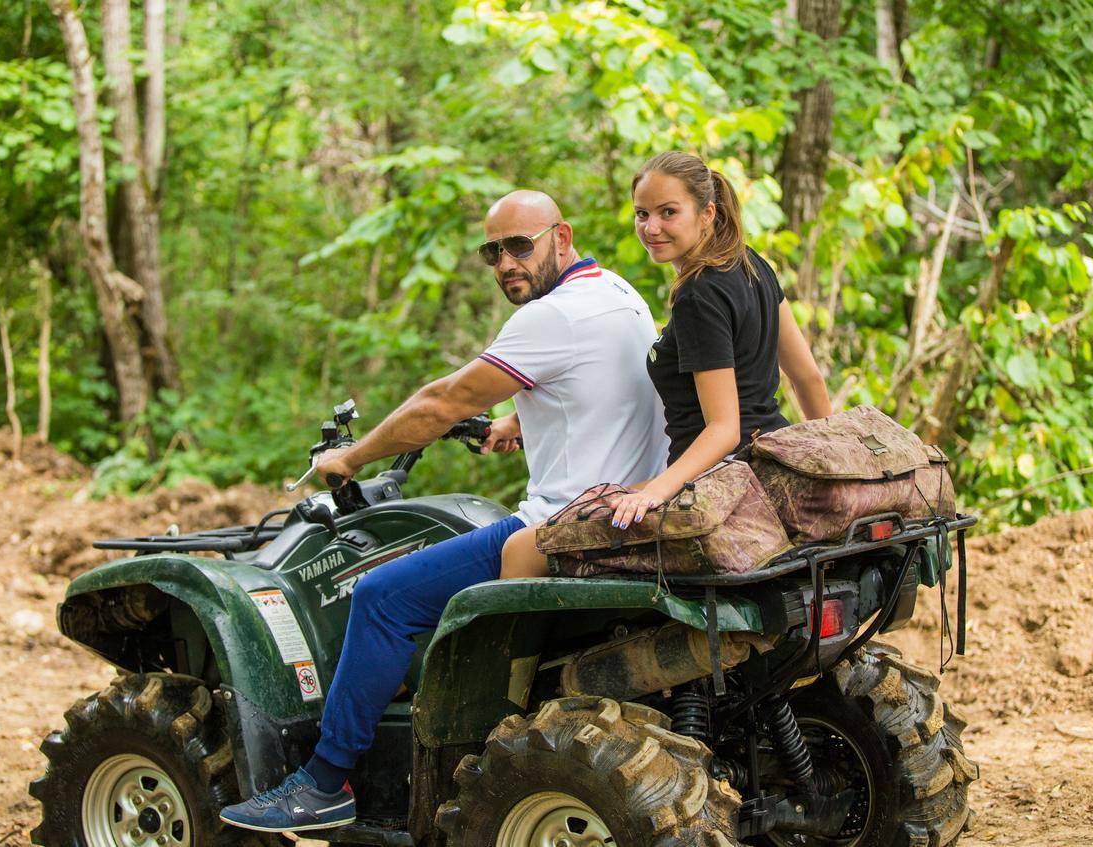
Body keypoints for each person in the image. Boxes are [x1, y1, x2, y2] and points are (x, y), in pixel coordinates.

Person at [218, 189, 668, 833]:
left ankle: (323, 783)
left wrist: (355, 456)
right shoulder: (619, 295)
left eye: (520, 245)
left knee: (381, 596)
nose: (506, 262)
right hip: (624, 509)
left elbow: (441, 402)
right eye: (492, 251)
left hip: (561, 522)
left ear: (560, 238)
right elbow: (611, 384)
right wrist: (523, 417)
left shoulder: (550, 319)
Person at [500, 152, 832, 578]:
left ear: (707, 213)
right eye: (642, 214)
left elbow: (723, 428)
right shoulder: (753, 265)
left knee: (522, 549)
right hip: (765, 467)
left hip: (718, 483)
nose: (651, 228)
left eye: (668, 213)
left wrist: (654, 491)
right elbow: (808, 378)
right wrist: (826, 466)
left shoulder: (699, 295)